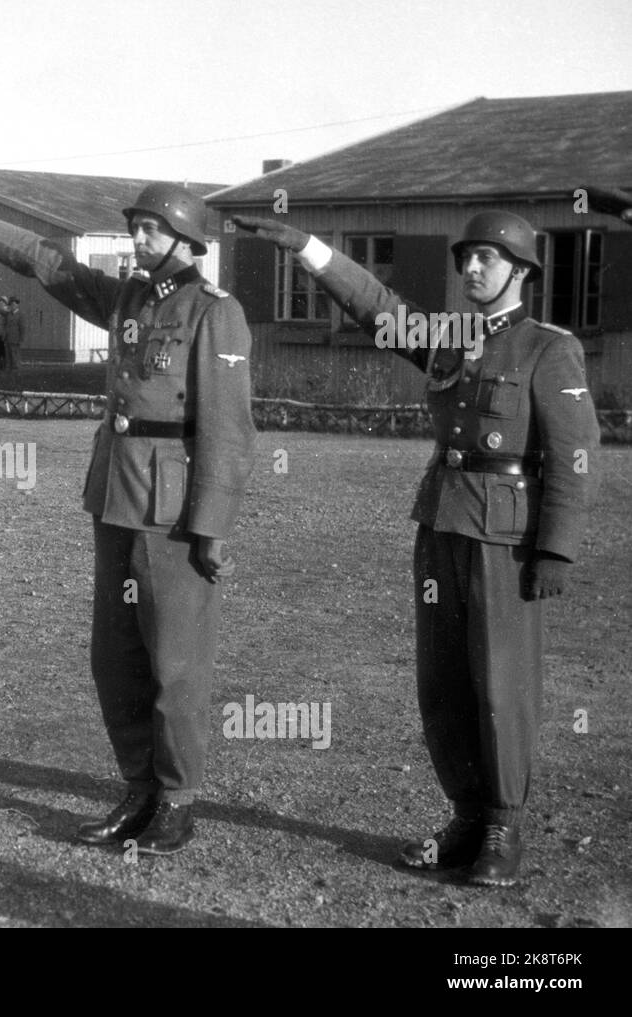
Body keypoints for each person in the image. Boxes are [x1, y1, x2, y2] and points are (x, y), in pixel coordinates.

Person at [234, 210, 600, 886]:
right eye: (467, 258)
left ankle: (503, 827)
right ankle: (465, 814)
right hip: (442, 523)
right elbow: (380, 309)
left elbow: (575, 454)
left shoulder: (549, 349)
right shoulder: (450, 337)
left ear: (521, 271)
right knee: (443, 679)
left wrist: (556, 549)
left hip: (505, 537)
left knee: (500, 681)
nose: (472, 269)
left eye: (488, 259)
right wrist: (313, 250)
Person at [0, 175, 257, 855]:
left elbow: (230, 426)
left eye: (151, 230)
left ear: (187, 241)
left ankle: (177, 796)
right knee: (115, 655)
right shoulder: (128, 296)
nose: (138, 238)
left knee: (174, 659)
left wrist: (213, 525)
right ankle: (139, 785)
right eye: (135, 227)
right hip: (118, 491)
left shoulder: (214, 311)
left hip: (172, 505)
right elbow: (51, 264)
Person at [6, 296, 25, 371]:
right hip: (8, 338)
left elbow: (22, 328)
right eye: (11, 305)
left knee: (15, 356)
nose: (12, 306)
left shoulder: (20, 315)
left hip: (15, 339)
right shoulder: (9, 314)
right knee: (8, 356)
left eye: (14, 304)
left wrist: (21, 339)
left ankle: (17, 371)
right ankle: (10, 371)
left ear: (17, 305)